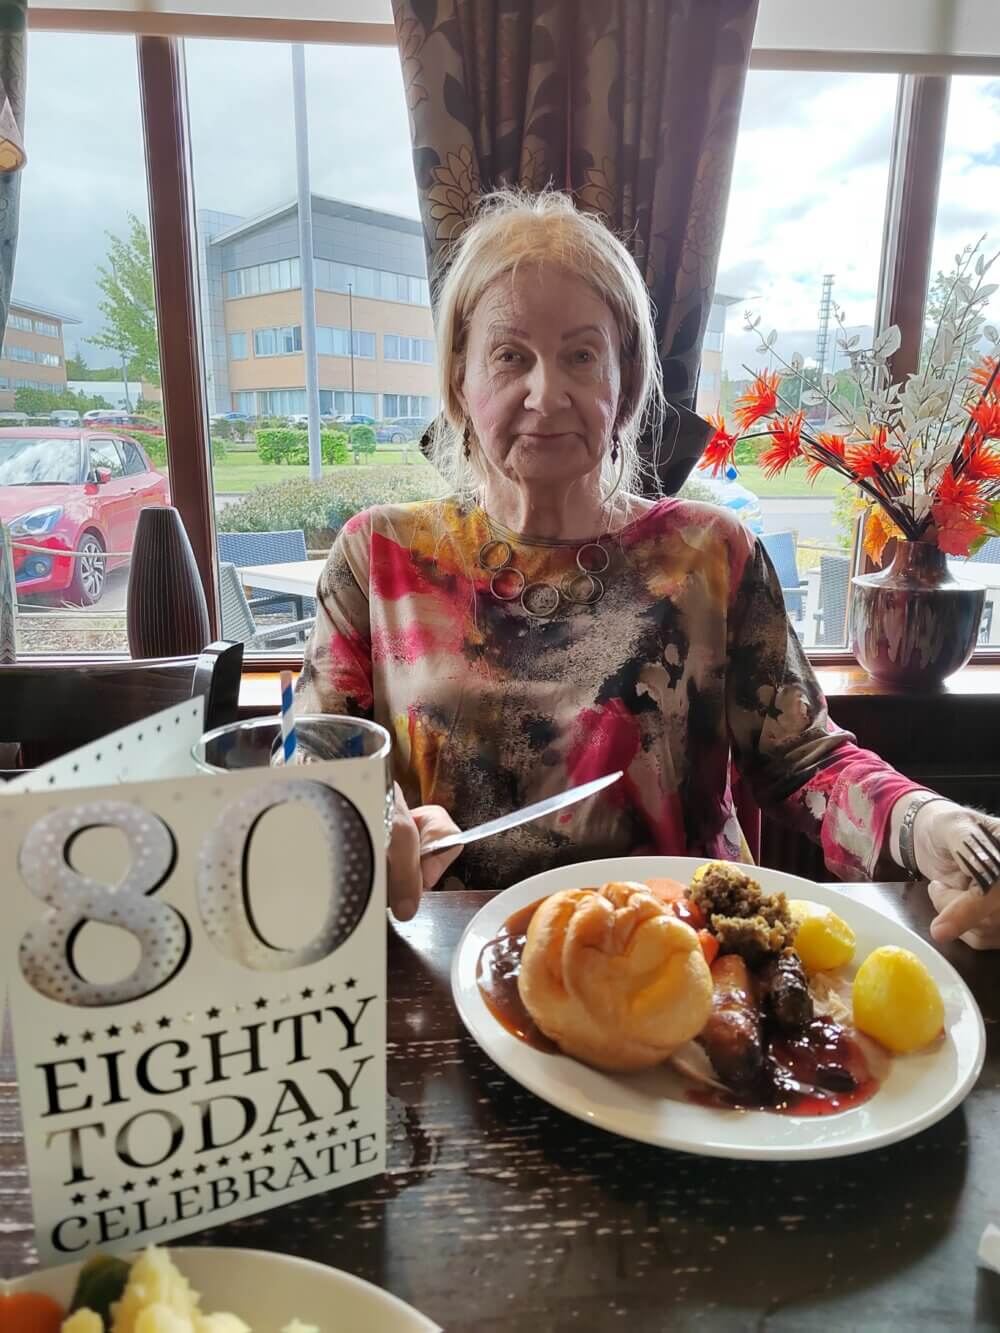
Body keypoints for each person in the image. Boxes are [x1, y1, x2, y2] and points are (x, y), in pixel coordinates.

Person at [296, 190, 1000, 947]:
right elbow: (310, 765)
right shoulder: (378, 560)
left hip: (685, 969)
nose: (546, 392)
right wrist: (366, 821)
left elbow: (804, 759)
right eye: (509, 356)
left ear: (623, 383)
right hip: (449, 968)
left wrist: (926, 821)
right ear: (460, 383)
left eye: (580, 354)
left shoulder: (711, 555)